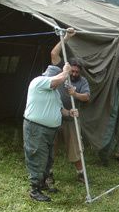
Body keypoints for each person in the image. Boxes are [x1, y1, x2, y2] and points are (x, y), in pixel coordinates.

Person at [23, 62, 78, 202]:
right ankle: (34, 190)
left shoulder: (54, 93)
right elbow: (57, 80)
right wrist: (66, 71)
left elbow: (60, 110)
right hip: (36, 128)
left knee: (48, 158)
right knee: (37, 156)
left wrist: (70, 113)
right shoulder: (39, 81)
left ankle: (42, 183)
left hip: (50, 130)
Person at [50, 29, 91, 183]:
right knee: (50, 148)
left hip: (70, 119)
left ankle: (81, 174)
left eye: (76, 72)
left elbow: (87, 97)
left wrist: (75, 94)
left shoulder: (82, 82)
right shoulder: (62, 71)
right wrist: (66, 38)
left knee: (76, 149)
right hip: (54, 116)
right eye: (72, 71)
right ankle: (49, 174)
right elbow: (54, 54)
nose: (73, 74)